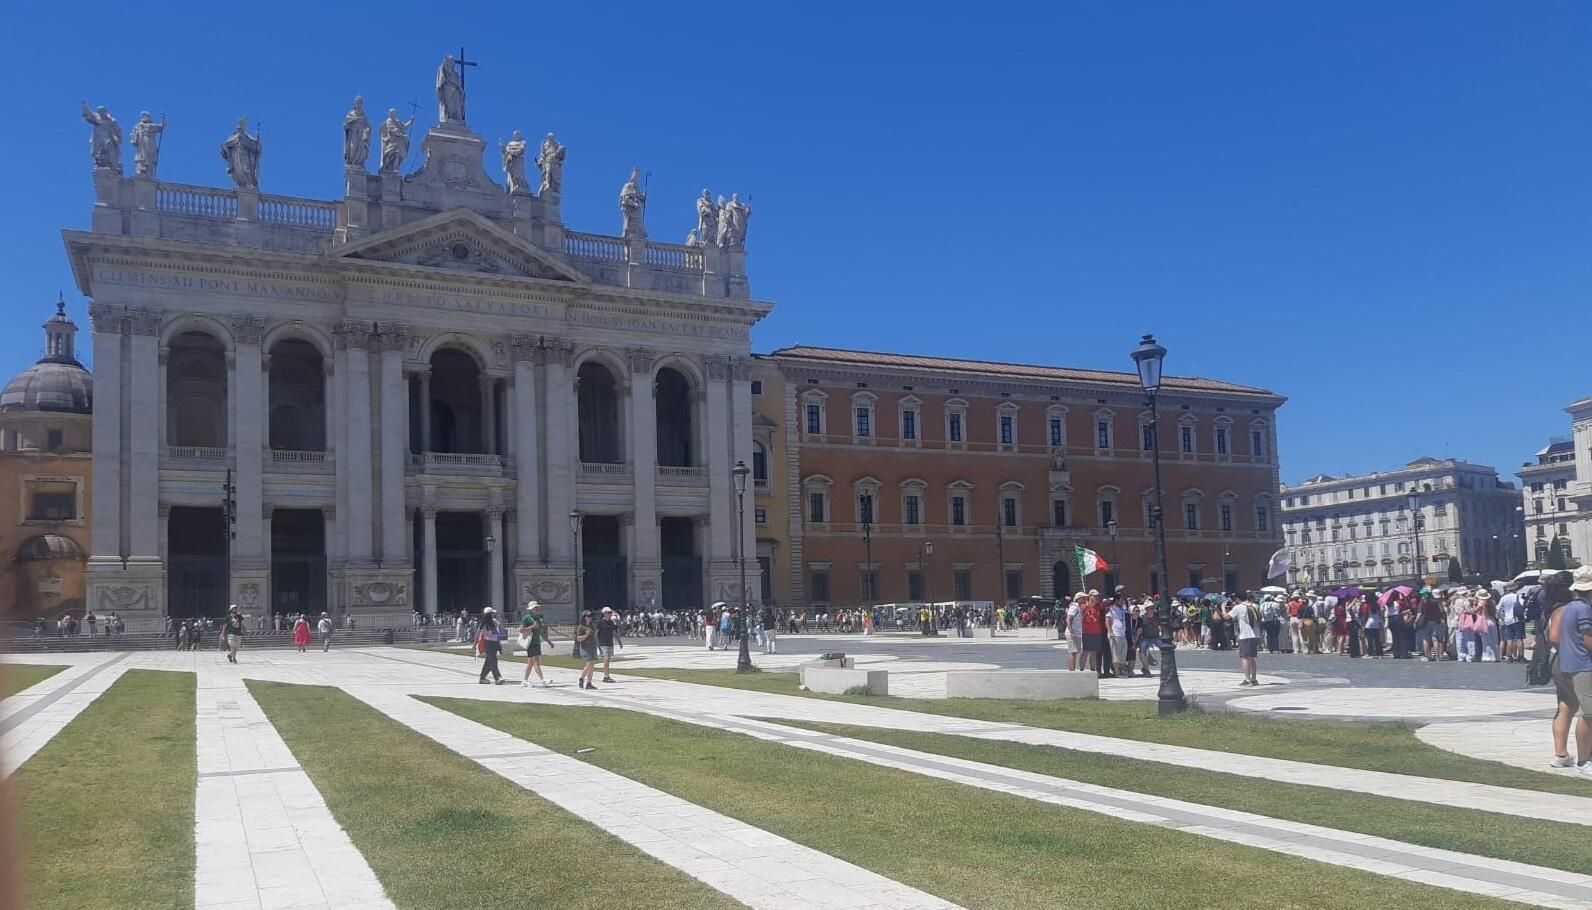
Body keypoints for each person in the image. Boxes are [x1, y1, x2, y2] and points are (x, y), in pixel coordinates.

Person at [1549, 567, 1592, 774]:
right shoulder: (1579, 608)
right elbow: (1585, 638)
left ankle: (1565, 755)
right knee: (1587, 712)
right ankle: (1584, 759)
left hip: (1569, 662)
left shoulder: (1567, 607)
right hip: (1579, 663)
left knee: (1568, 707)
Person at [519, 600, 554, 688]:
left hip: (536, 641)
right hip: (531, 642)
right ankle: (543, 680)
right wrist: (532, 626)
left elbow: (541, 631)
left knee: (531, 662)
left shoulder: (537, 618)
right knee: (536, 662)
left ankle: (525, 680)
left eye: (537, 608)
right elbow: (521, 630)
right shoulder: (526, 618)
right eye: (535, 608)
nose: (537, 609)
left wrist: (549, 641)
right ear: (531, 609)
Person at [1233, 597, 1261, 686]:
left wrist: (1222, 607)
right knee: (1252, 658)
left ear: (1237, 599)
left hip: (1246, 635)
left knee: (1245, 658)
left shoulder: (1239, 607)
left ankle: (1247, 679)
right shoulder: (1256, 606)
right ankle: (1254, 679)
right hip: (1255, 634)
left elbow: (1226, 616)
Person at [476, 607, 505, 685]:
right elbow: (478, 633)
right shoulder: (484, 624)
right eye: (492, 613)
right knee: (493, 661)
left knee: (489, 661)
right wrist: (475, 644)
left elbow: (500, 628)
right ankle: (497, 678)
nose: (493, 615)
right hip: (488, 643)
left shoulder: (494, 621)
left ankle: (482, 678)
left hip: (495, 642)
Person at [596, 606, 624, 683]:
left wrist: (619, 641)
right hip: (603, 643)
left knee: (608, 660)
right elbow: (596, 633)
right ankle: (606, 676)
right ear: (604, 614)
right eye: (608, 613)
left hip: (610, 643)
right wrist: (597, 644)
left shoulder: (611, 622)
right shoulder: (600, 622)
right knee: (606, 659)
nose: (610, 614)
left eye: (610, 613)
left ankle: (607, 675)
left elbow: (614, 632)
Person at [574, 613, 599, 689]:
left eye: (591, 616)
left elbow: (595, 637)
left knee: (592, 665)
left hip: (592, 646)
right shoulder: (581, 627)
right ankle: (581, 678)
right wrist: (586, 635)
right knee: (588, 664)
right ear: (584, 617)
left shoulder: (592, 626)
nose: (589, 618)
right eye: (588, 616)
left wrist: (598, 647)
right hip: (585, 647)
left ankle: (589, 682)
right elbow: (578, 638)